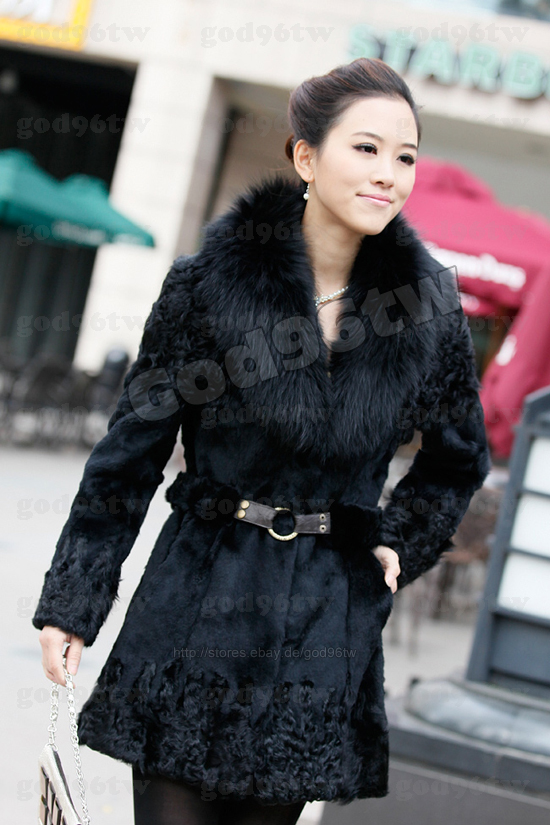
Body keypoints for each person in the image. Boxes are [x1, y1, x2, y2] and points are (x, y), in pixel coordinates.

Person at [33, 57, 491, 824]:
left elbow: (458, 458)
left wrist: (400, 540)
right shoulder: (206, 286)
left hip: (322, 620)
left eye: (406, 157)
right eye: (366, 148)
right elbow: (129, 456)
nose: (388, 174)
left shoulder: (427, 312)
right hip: (197, 597)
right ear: (305, 156)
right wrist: (73, 602)